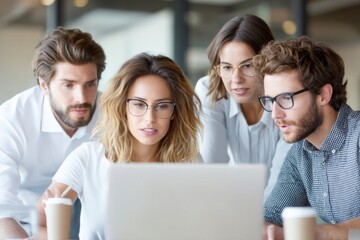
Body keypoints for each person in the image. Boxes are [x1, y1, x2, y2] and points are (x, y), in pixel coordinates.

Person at [36, 52, 202, 239]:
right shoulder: (88, 158)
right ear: (123, 108)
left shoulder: (190, 162)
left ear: (174, 111)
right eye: (139, 105)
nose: (150, 119)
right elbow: (41, 220)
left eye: (162, 106)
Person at [0, 27, 106, 239]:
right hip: (21, 214)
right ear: (43, 85)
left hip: (85, 212)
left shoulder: (110, 114)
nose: (81, 98)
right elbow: (2, 208)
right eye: (69, 85)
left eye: (90, 84)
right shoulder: (11, 119)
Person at [253, 36, 360, 240]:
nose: (275, 114)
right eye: (270, 100)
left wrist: (323, 233)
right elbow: (273, 216)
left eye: (286, 98)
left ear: (323, 95)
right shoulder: (300, 154)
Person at [195, 14, 291, 199]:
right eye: (227, 67)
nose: (236, 80)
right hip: (233, 205)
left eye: (247, 66)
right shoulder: (211, 90)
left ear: (266, 62)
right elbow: (212, 168)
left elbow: (282, 178)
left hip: (283, 210)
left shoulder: (287, 96)